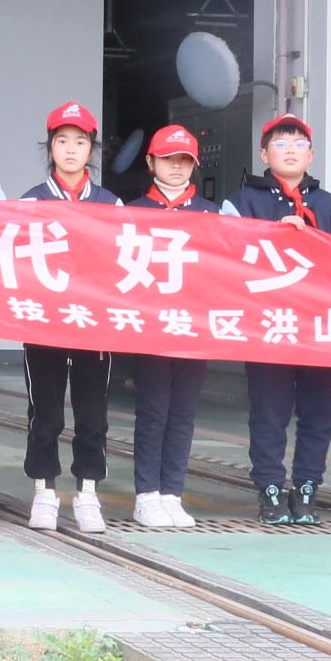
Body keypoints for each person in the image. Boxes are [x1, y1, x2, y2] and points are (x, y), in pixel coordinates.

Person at [223, 111, 331, 526]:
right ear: (264, 154)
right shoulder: (240, 202)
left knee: (320, 411)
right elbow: (225, 254)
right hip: (267, 325)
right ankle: (271, 488)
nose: (290, 150)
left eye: (299, 144)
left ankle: (308, 486)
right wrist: (272, 235)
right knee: (269, 410)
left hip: (319, 327)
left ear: (311, 155)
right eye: (280, 143)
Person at [21, 101, 122, 533]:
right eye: (62, 141)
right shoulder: (32, 201)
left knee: (92, 415)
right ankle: (44, 491)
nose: (70, 150)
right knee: (44, 413)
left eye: (80, 142)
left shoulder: (110, 202)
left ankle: (87, 493)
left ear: (91, 150)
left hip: (93, 326)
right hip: (43, 324)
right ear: (50, 148)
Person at [126, 125, 212, 530]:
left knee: (183, 412)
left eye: (184, 161)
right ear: (150, 162)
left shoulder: (212, 214)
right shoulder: (133, 211)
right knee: (154, 410)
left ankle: (172, 494)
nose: (176, 167)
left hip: (194, 329)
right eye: (168, 159)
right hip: (149, 328)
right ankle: (146, 495)